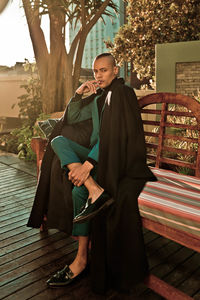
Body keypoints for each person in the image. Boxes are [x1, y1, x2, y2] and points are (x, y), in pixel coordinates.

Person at [27, 53, 156, 294]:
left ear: (115, 70)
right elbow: (73, 117)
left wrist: (88, 164)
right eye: (96, 71)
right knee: (58, 140)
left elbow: (114, 136)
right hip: (94, 156)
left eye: (104, 70)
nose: (99, 75)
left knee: (77, 192)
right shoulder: (99, 99)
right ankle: (94, 189)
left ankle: (81, 259)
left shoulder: (122, 94)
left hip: (113, 158)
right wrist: (78, 94)